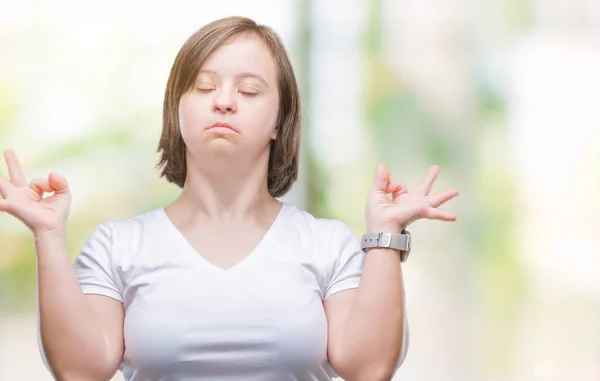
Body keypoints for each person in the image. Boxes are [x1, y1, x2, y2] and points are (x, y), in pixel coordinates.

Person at [0, 16, 459, 381]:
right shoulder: (117, 246)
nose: (223, 101)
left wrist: (385, 235)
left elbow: (369, 370)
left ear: (281, 122)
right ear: (177, 111)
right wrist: (47, 234)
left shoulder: (328, 245)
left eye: (249, 90)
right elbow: (80, 371)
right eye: (203, 86)